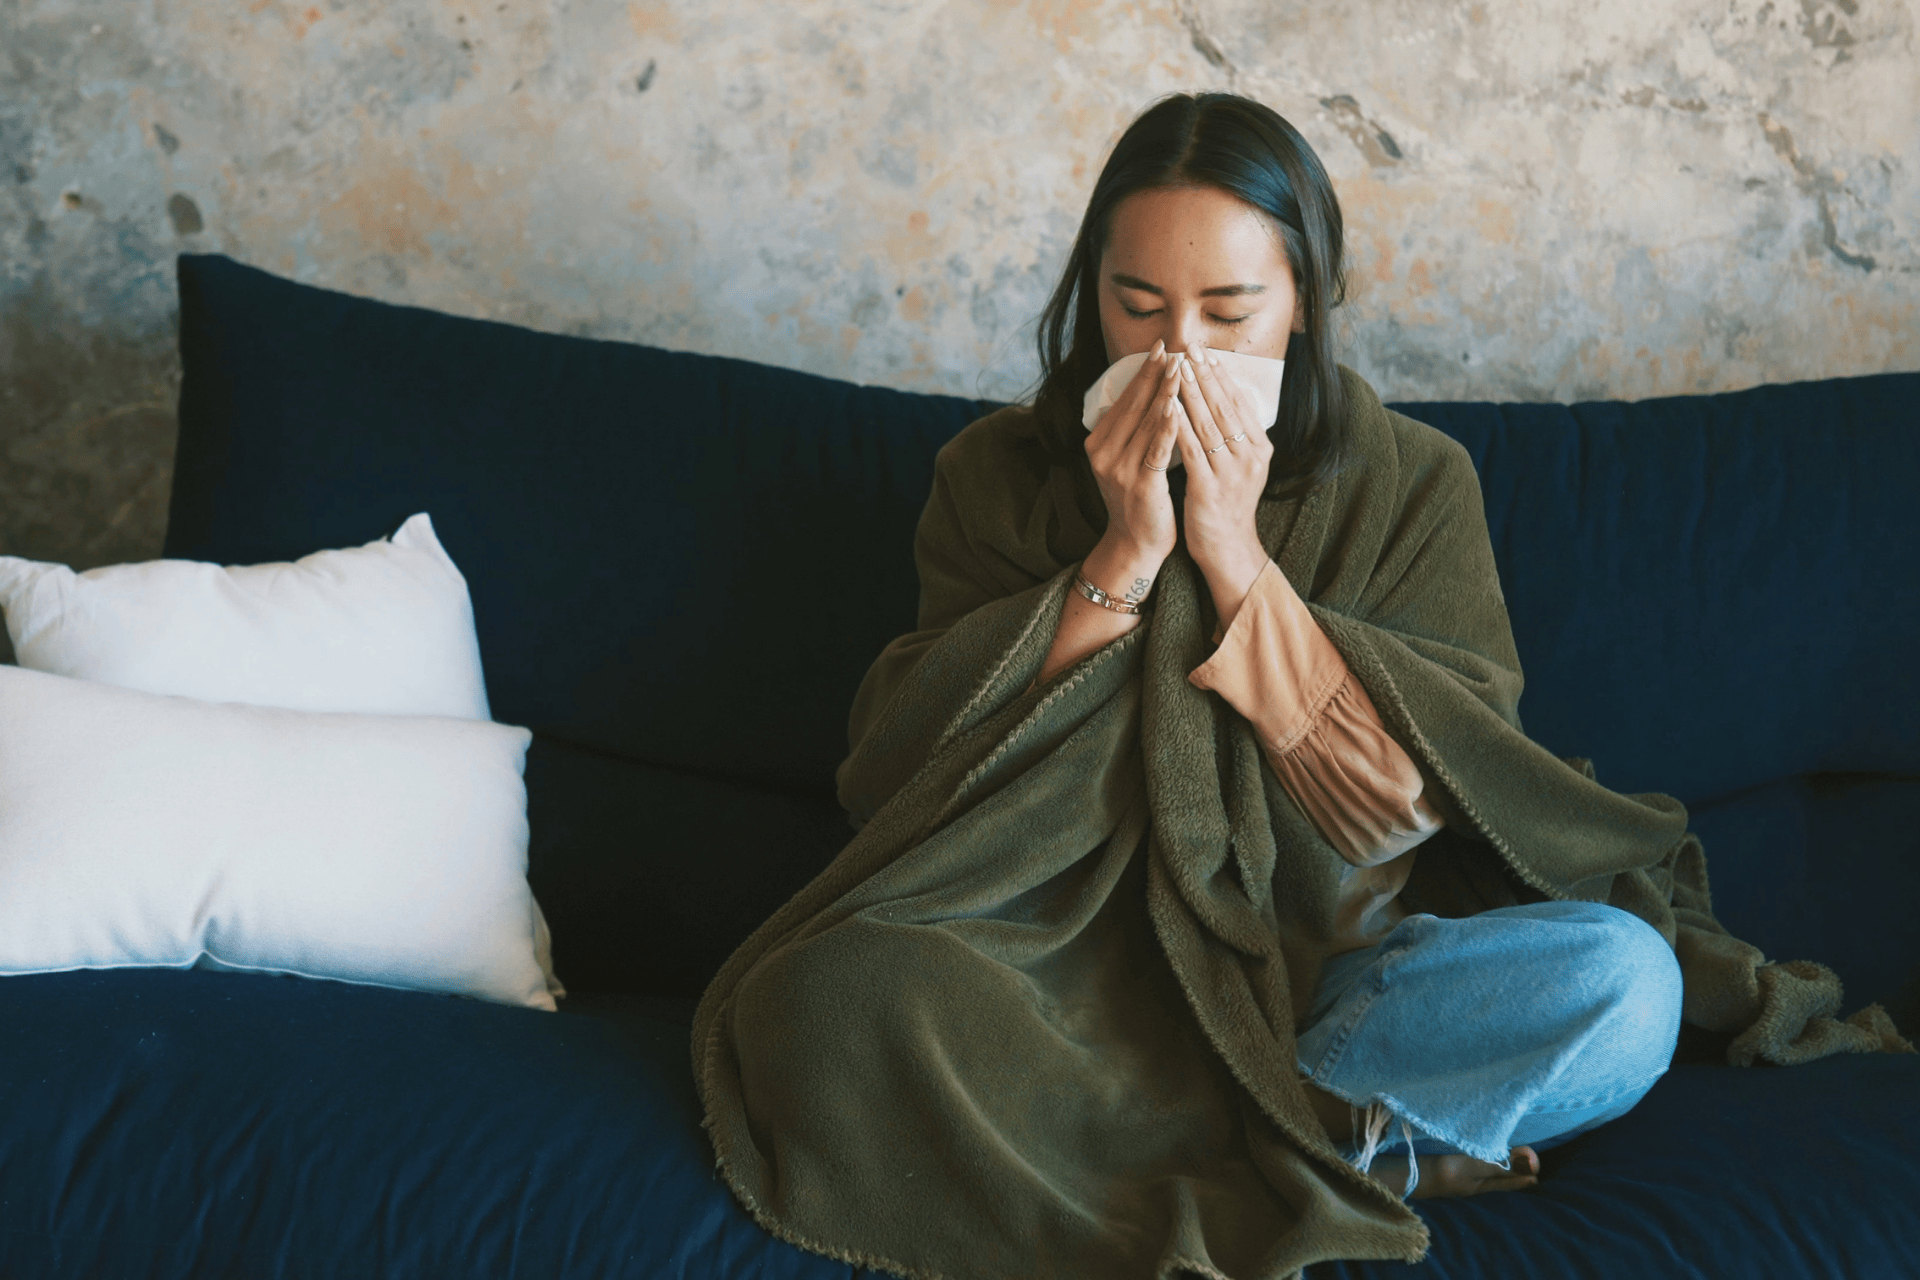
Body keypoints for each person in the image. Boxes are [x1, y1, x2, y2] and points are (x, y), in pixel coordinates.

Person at [696, 92, 1893, 1280]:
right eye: (1137, 306)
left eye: (1229, 312)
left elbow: (1401, 808)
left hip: (1334, 985)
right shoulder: (997, 477)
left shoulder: (1413, 484)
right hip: (1060, 981)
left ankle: (1243, 1131)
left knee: (1624, 983)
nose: (1178, 354)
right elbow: (908, 778)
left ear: (1306, 300)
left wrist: (1234, 561)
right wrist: (1122, 555)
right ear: (1090, 294)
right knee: (824, 998)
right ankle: (1345, 1150)